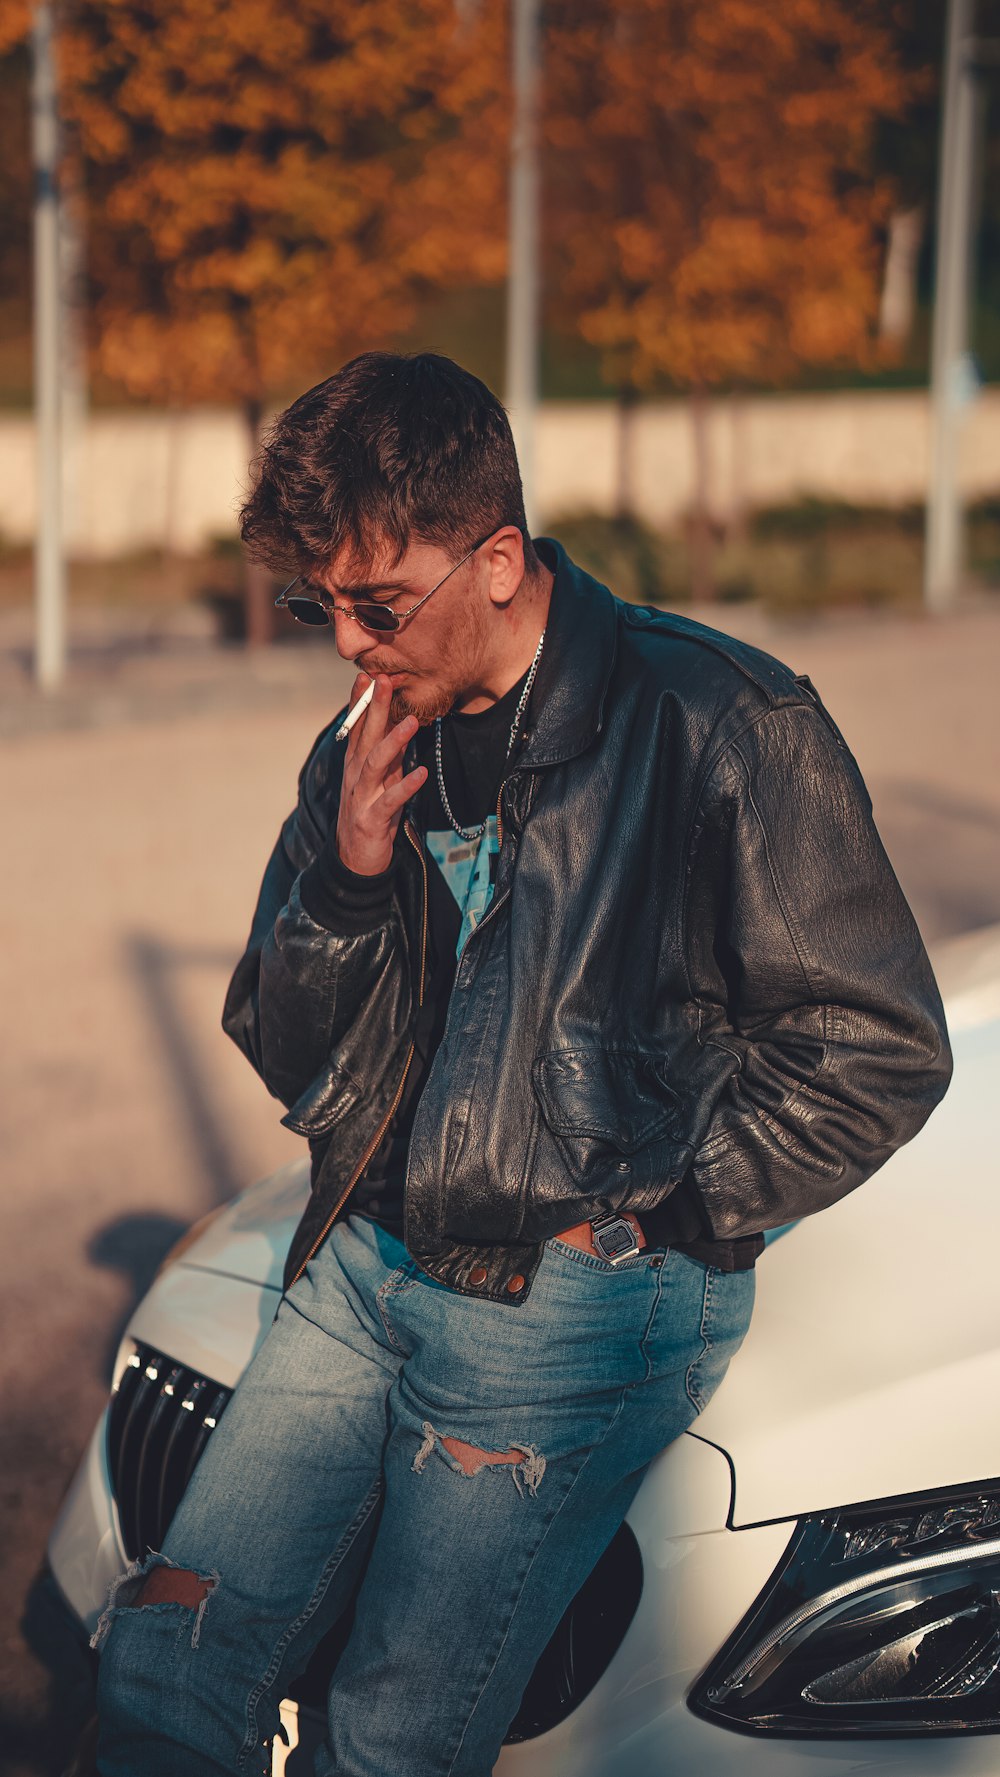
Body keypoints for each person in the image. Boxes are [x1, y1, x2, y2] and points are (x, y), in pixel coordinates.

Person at [93, 352, 951, 1776]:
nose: (349, 645)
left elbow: (877, 1045)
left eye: (377, 602)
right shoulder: (365, 745)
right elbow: (284, 1045)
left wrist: (650, 1210)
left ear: (499, 559)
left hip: (564, 1306)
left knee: (388, 1739)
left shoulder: (721, 722)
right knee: (163, 1654)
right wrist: (352, 879)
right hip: (366, 1261)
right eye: (323, 606)